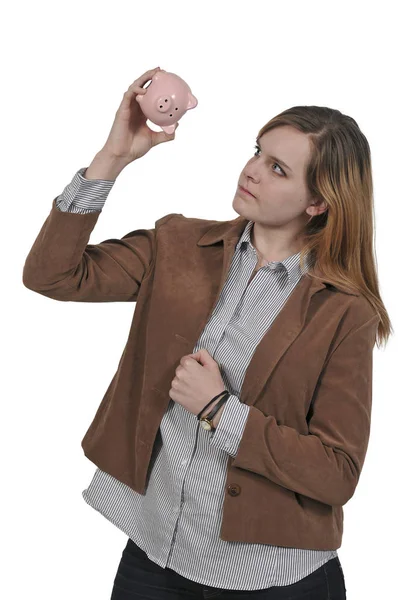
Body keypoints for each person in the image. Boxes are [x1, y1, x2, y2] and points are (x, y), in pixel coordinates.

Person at [23, 67, 392, 599]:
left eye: (279, 169)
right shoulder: (179, 245)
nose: (253, 171)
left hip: (267, 577)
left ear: (318, 202)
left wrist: (220, 409)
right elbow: (52, 276)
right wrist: (112, 159)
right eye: (257, 152)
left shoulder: (343, 312)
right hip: (155, 555)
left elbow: (337, 473)